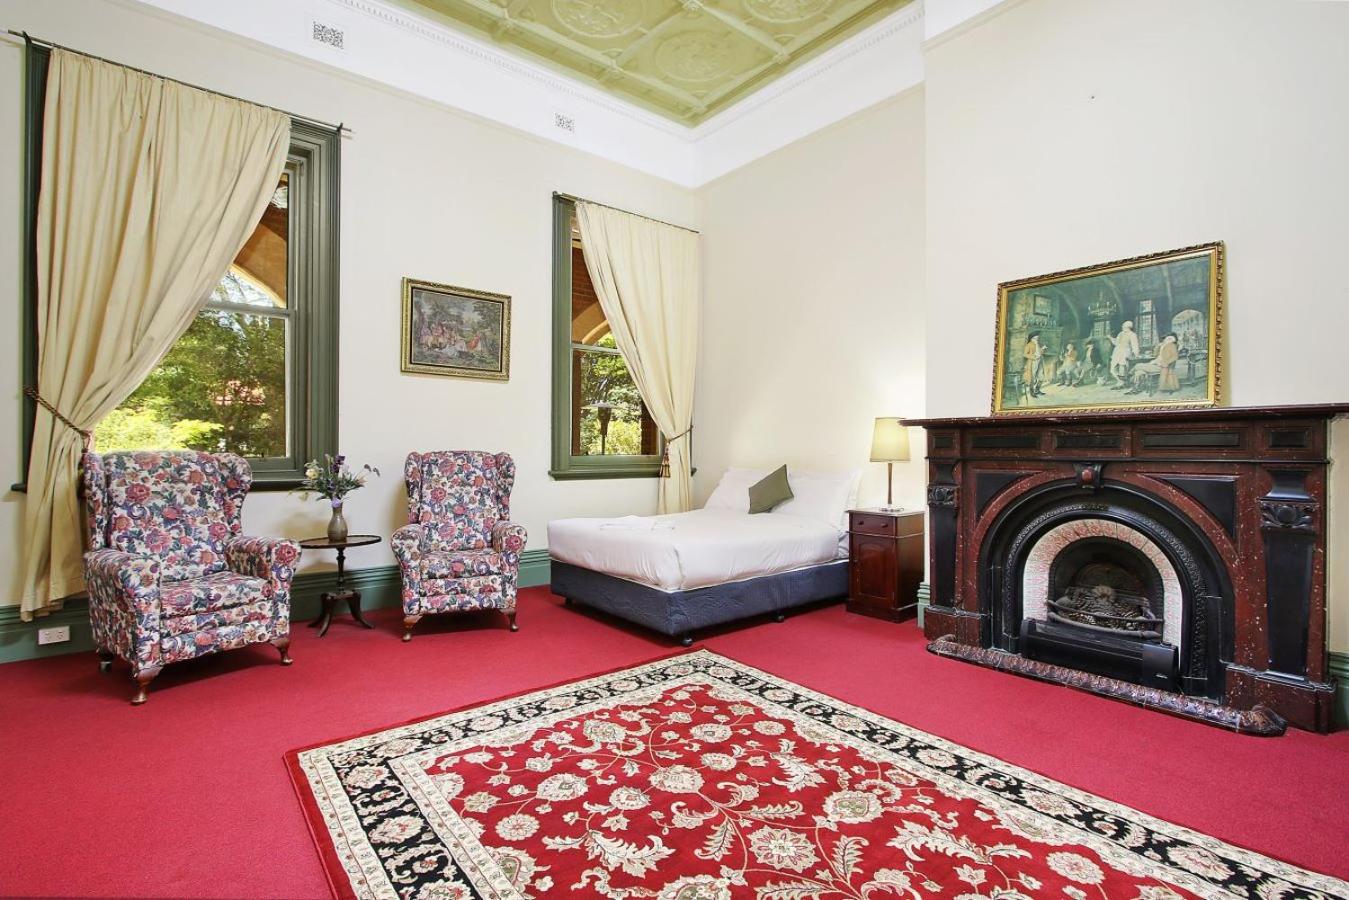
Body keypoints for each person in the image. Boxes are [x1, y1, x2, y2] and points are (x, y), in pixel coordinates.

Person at [1109, 321, 1140, 386]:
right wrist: (1111, 338)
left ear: (1128, 327)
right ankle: (1120, 381)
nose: (1122, 327)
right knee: (1112, 369)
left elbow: (1135, 345)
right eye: (1123, 326)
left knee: (1122, 368)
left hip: (1125, 352)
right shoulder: (1120, 334)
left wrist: (1136, 354)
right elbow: (1116, 343)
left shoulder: (1132, 334)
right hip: (1117, 352)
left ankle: (1122, 382)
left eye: (1123, 326)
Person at [1022, 331, 1045, 398]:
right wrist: (1033, 357)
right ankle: (1032, 392)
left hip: (1040, 361)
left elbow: (1040, 353)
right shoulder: (1029, 345)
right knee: (1032, 377)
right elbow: (1025, 354)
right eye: (1035, 338)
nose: (1037, 339)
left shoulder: (1038, 343)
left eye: (1037, 338)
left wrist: (1042, 349)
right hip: (1033, 362)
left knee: (1041, 376)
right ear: (1031, 338)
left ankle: (1037, 390)